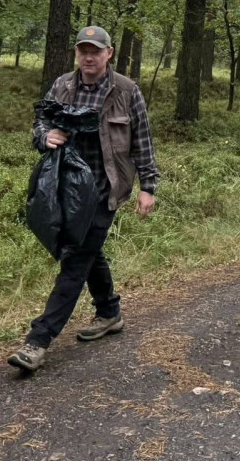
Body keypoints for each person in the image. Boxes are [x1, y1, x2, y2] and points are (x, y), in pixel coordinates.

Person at [9, 26, 159, 373]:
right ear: (77, 53)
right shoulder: (63, 85)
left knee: (76, 258)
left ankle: (38, 341)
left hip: (106, 188)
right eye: (83, 50)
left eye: (95, 51)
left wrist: (148, 186)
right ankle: (109, 312)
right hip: (68, 188)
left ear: (109, 53)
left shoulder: (126, 90)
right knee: (89, 251)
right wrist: (45, 136)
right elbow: (41, 120)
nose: (89, 57)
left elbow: (143, 140)